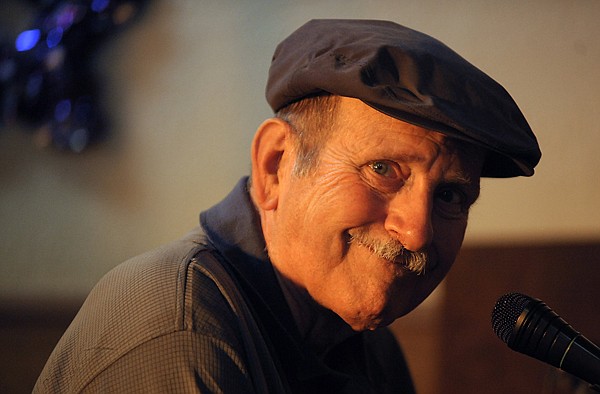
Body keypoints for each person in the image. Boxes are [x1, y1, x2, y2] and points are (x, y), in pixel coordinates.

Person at [34, 19, 541, 393]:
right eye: (383, 169)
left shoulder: (365, 345)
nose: (417, 232)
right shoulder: (179, 330)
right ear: (275, 165)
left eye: (450, 195)